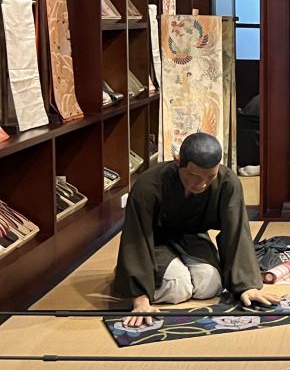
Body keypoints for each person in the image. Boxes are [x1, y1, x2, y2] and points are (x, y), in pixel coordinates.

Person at [114, 132, 276, 326]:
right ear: (178, 161)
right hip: (154, 242)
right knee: (177, 286)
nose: (202, 184)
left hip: (193, 237)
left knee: (210, 284)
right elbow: (136, 236)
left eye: (210, 176)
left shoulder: (227, 182)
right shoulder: (148, 185)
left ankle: (172, 273)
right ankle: (131, 278)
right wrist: (140, 298)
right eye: (193, 176)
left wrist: (247, 286)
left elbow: (236, 230)